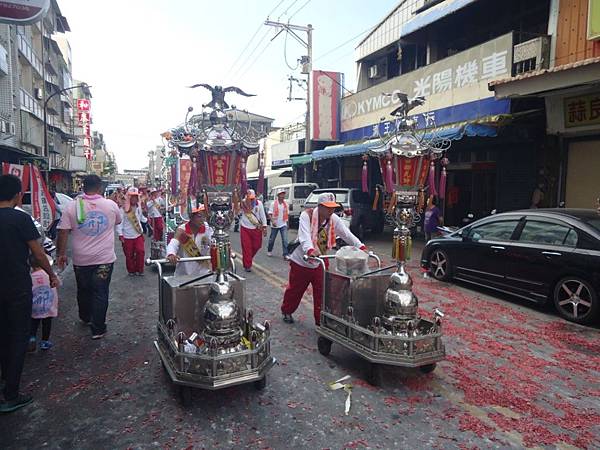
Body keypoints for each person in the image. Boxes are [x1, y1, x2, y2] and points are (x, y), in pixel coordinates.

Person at [0, 174, 58, 413]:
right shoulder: (20, 219)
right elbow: (38, 253)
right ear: (16, 195)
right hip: (16, 286)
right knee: (17, 336)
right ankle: (10, 393)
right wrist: (51, 274)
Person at [281, 192, 366, 325]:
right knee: (295, 290)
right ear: (319, 206)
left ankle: (320, 321)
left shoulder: (333, 219)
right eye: (327, 207)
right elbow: (304, 236)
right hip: (301, 261)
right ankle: (287, 310)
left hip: (320, 260)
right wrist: (310, 249)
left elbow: (346, 234)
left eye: (333, 207)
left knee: (323, 293)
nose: (331, 210)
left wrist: (360, 246)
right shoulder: (306, 216)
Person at [57, 174, 121, 340]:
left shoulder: (72, 206)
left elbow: (63, 232)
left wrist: (61, 254)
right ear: (100, 188)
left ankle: (85, 317)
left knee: (84, 289)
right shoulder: (111, 205)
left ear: (82, 187)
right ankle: (98, 328)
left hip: (81, 259)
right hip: (104, 259)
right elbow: (118, 221)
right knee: (100, 291)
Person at [166, 205, 213, 276]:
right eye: (199, 216)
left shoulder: (207, 228)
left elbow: (214, 241)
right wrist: (171, 254)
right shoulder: (182, 230)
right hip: (183, 274)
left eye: (204, 216)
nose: (202, 219)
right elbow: (173, 244)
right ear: (191, 217)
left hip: (203, 274)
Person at [28, 255, 59, 352]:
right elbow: (58, 283)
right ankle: (44, 342)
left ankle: (31, 339)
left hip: (34, 307)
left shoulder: (30, 278)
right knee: (47, 323)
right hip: (48, 306)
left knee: (33, 323)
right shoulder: (50, 275)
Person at [116, 187, 148, 276]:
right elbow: (119, 223)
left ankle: (140, 269)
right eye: (132, 196)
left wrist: (147, 220)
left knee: (140, 251)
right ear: (128, 197)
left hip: (138, 234)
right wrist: (120, 234)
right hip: (127, 235)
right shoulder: (123, 209)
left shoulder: (138, 207)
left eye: (135, 196)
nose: (134, 198)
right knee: (129, 255)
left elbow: (141, 218)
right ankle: (131, 270)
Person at [239, 189, 267, 272]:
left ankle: (247, 258)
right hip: (245, 228)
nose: (251, 200)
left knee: (257, 246)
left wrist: (264, 226)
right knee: (247, 248)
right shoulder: (243, 203)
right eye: (249, 198)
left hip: (256, 228)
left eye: (252, 198)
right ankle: (247, 265)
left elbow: (263, 216)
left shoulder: (259, 204)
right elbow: (236, 210)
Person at [267, 188, 290, 260]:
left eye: (283, 194)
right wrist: (272, 221)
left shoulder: (286, 204)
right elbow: (269, 214)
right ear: (278, 195)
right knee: (272, 239)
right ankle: (269, 250)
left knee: (285, 240)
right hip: (275, 224)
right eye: (281, 194)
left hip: (283, 224)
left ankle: (285, 254)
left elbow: (287, 214)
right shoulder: (273, 204)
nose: (283, 196)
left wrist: (288, 223)